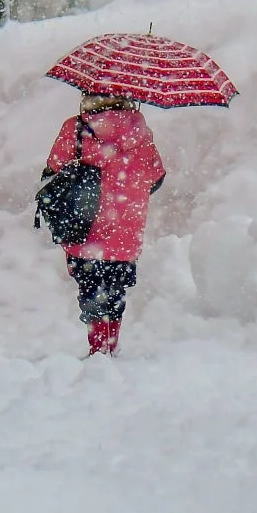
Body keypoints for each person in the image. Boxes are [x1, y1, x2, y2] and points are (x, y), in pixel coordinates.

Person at [42, 93, 166, 356]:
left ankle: (98, 347)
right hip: (126, 228)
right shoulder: (141, 133)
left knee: (91, 288)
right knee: (115, 288)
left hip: (84, 226)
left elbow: (54, 168)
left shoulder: (75, 127)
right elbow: (156, 176)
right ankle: (110, 344)